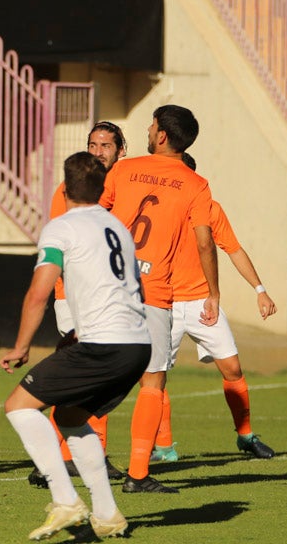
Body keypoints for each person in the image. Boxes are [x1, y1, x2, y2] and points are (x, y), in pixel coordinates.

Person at [0, 152, 149, 541]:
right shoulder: (118, 228)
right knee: (68, 416)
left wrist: (21, 347)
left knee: (19, 406)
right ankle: (108, 514)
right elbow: (134, 288)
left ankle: (65, 500)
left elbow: (39, 293)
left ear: (64, 189)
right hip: (137, 344)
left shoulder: (61, 228)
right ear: (102, 190)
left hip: (105, 345)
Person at [99, 104, 218, 494]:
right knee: (152, 381)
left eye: (151, 126)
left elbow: (94, 215)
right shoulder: (196, 184)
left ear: (162, 136)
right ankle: (137, 474)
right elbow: (204, 242)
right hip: (153, 293)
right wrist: (214, 293)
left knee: (96, 371)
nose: (148, 132)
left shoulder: (123, 170)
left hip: (108, 287)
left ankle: (71, 456)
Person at [150, 152, 277, 462]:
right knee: (155, 376)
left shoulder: (210, 209)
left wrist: (260, 290)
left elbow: (233, 249)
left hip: (202, 302)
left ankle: (245, 435)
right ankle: (164, 447)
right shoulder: (156, 206)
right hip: (163, 302)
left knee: (232, 368)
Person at [29, 121, 128, 489]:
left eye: (105, 145)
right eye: (93, 144)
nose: (98, 151)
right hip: (75, 294)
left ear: (121, 151)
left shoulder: (120, 185)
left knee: (97, 377)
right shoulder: (74, 189)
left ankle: (85, 454)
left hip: (103, 295)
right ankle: (56, 458)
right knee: (85, 375)